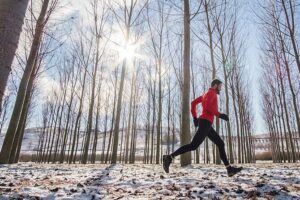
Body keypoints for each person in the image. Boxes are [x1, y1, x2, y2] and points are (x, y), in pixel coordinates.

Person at [163, 79, 242, 177]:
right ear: (215, 85)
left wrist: (195, 118)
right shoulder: (211, 93)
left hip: (206, 123)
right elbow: (208, 107)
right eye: (220, 86)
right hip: (205, 123)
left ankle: (229, 169)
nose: (220, 89)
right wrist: (220, 115)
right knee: (193, 145)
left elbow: (193, 103)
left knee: (220, 143)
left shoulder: (205, 94)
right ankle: (169, 157)